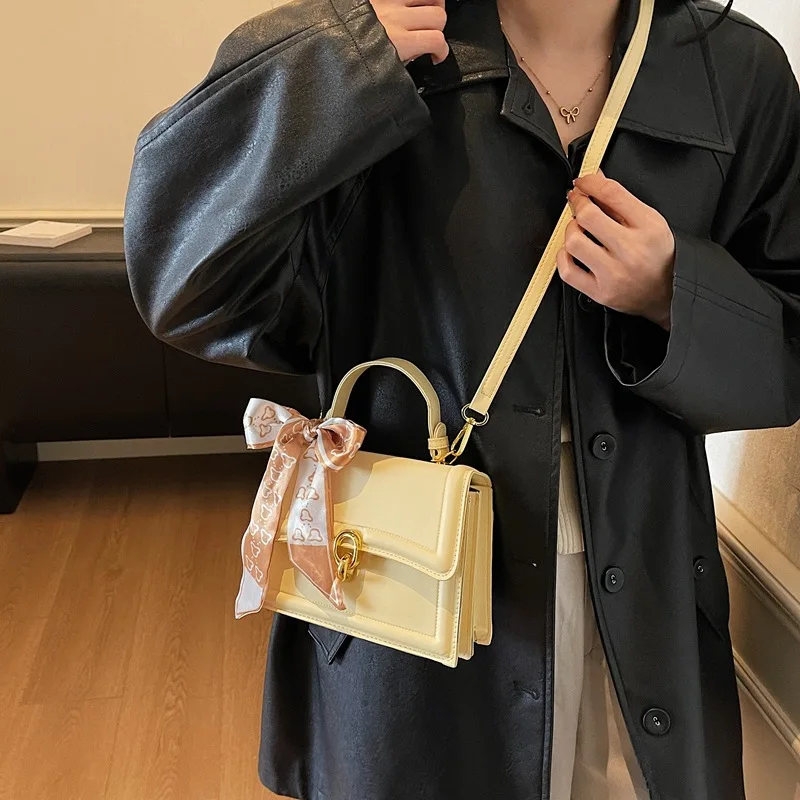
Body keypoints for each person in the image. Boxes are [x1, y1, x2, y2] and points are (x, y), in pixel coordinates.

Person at [123, 0, 800, 796]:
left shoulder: (734, 69)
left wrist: (674, 293)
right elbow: (185, 284)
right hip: (406, 591)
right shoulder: (372, 44)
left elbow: (784, 351)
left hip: (649, 598)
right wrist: (330, 68)